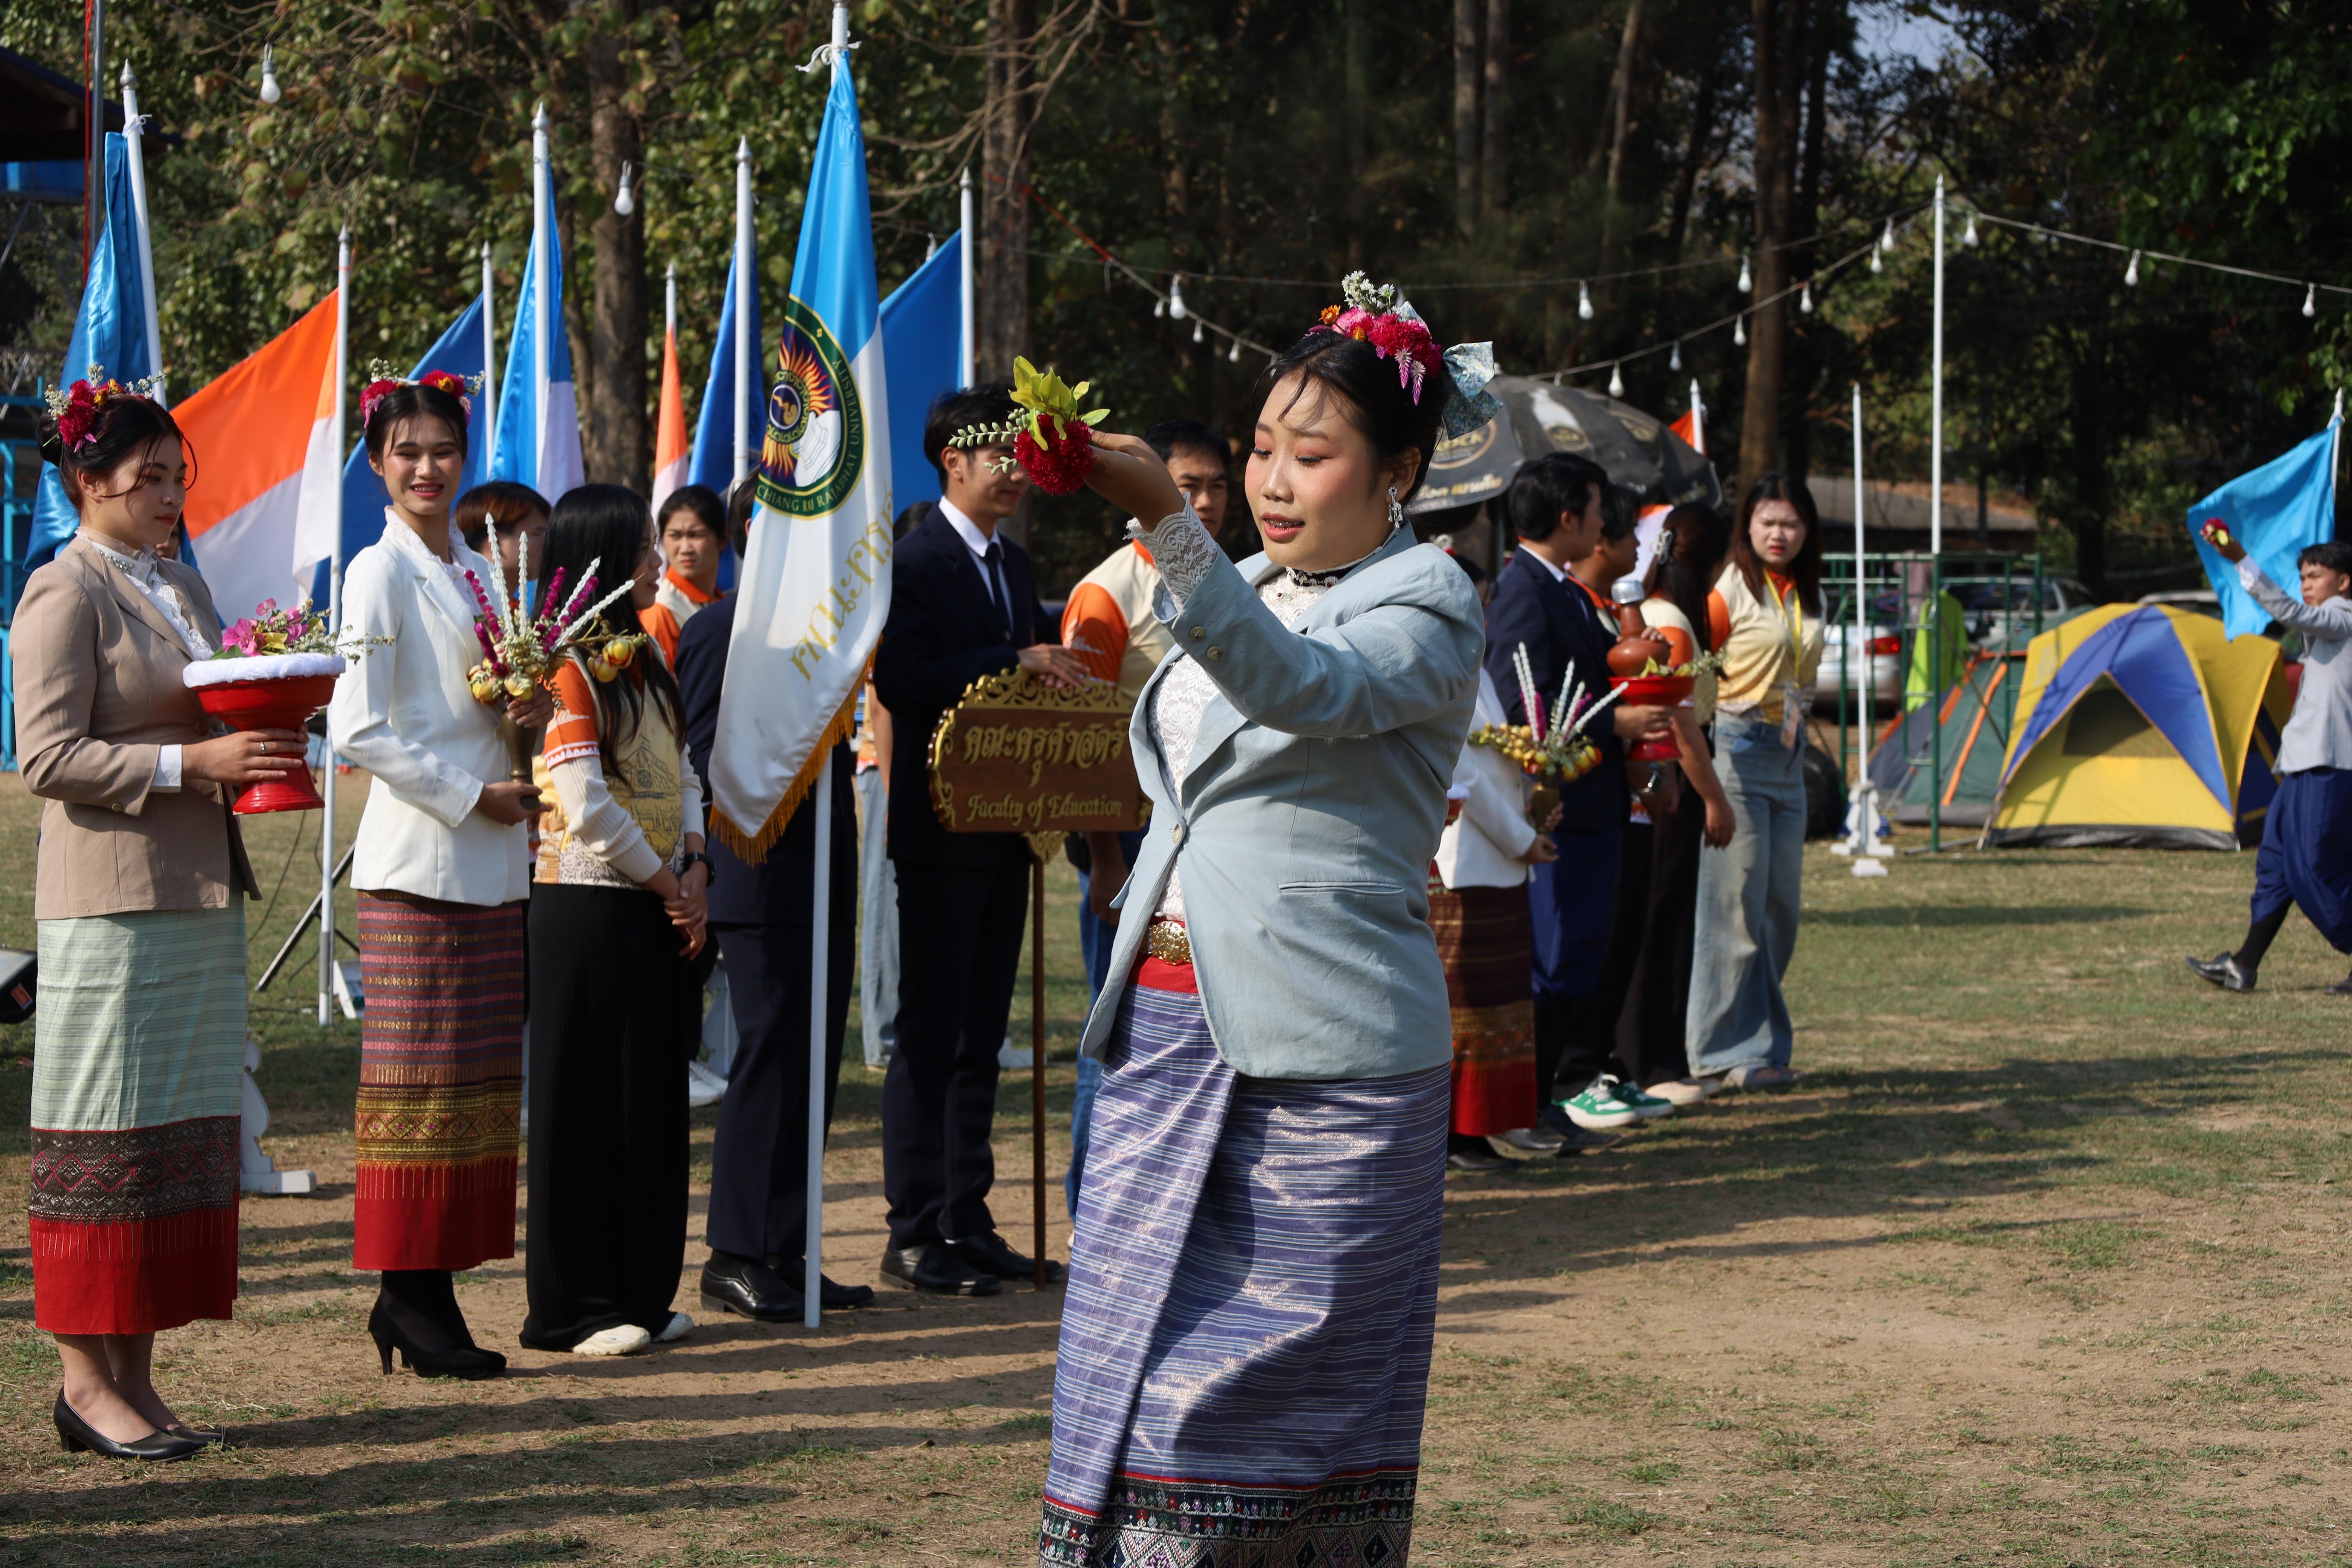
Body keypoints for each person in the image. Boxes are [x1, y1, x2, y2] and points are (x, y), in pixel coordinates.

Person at [1039, 277, 1488, 1566]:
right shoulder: (1234, 578)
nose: (1276, 479)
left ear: (1397, 470)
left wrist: (1157, 514)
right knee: (1120, 1362)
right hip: (1164, 1030)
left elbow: (1299, 691)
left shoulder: (1431, 600)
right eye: (1261, 449)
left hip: (1327, 1046)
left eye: (1314, 453)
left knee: (1255, 1397)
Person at [16, 379, 289, 1461]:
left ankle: (136, 1376)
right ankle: (84, 1382)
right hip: (111, 907)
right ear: (89, 482)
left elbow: (224, 697)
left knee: (170, 1145)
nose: (172, 496)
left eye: (180, 476)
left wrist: (272, 733)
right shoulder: (62, 589)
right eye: (149, 479)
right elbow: (46, 757)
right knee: (102, 1144)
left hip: (192, 899)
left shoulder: (182, 580)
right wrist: (193, 764)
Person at [331, 374, 550, 1380]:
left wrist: (532, 716)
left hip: (493, 862)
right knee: (417, 1091)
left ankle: (433, 1290)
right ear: (377, 462)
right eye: (406, 452)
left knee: (473, 1092)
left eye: (443, 451)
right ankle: (408, 1294)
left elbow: (488, 696)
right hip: (420, 864)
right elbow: (359, 727)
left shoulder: (476, 569)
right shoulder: (376, 573)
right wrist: (472, 796)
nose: (426, 469)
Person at [873, 384, 1091, 1296]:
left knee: (983, 1037)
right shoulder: (914, 561)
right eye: (998, 454)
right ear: (949, 461)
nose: (1015, 471)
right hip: (936, 828)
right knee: (929, 1035)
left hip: (1007, 829)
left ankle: (969, 1215)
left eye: (1023, 454)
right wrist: (1014, 662)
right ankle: (913, 1228)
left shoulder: (1011, 562)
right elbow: (904, 678)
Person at [518, 484, 709, 1356]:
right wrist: (666, 882)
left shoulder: (646, 649)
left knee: (649, 1101)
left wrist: (696, 863)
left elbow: (686, 767)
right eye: (641, 543)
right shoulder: (561, 661)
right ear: (598, 551)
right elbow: (583, 801)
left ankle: (641, 1287)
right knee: (584, 1104)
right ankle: (572, 1306)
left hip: (655, 902)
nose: (656, 557)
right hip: (587, 905)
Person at [676, 482, 868, 1321]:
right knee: (768, 1059)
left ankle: (790, 1246)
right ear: (748, 529)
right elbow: (705, 756)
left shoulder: (830, 637)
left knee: (814, 1064)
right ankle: (737, 1250)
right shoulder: (721, 629)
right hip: (754, 874)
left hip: (822, 876)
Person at [1057, 417, 1232, 1211]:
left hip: (1219, 840)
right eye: (1183, 483)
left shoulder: (1233, 580)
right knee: (1118, 1025)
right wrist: (1106, 859)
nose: (1199, 501)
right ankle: (1096, 1202)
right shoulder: (1106, 592)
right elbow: (1085, 741)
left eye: (1214, 486)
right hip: (1131, 843)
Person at [1483, 455, 1674, 1147]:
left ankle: (1543, 1101)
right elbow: (1520, 706)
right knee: (1555, 964)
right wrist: (1610, 724)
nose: (1603, 525)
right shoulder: (1523, 594)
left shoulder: (1561, 590)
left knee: (1578, 960)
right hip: (1557, 807)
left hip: (1594, 809)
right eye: (1595, 510)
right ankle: (1523, 1109)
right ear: (1567, 518)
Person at [1684, 472, 1824, 1092]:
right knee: (1733, 908)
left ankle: (1763, 1043)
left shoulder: (1801, 589)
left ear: (1807, 530)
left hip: (1790, 757)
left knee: (1779, 910)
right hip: (1737, 749)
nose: (1779, 533)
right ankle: (1720, 1052)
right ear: (1748, 526)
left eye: (1791, 523)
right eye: (1768, 522)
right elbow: (1693, 673)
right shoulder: (1729, 589)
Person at [1599, 504, 1738, 1103]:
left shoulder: (1666, 615)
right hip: (1665, 778)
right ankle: (1647, 1062)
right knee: (1659, 920)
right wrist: (1714, 799)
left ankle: (1661, 1059)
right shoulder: (1673, 623)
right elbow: (1680, 726)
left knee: (1664, 919)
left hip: (1662, 776)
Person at [2189, 535, 2352, 993]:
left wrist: (2242, 559)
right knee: (2277, 864)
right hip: (2306, 763)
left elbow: (2292, 613)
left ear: (2344, 582)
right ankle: (2244, 963)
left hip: (2331, 765)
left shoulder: (2345, 615)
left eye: (2316, 575)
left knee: (2317, 867)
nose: (2307, 584)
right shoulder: (2329, 623)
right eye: (2303, 576)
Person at [1431, 652, 1555, 1172]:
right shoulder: (1436, 667)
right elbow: (1462, 772)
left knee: (1499, 1001)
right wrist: (1521, 837)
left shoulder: (1475, 667)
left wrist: (1534, 799)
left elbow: (1498, 754)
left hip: (1501, 855)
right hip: (1467, 858)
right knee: (1467, 1006)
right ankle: (1456, 1132)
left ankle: (1489, 1122)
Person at [654, 482, 728, 633]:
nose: (685, 549)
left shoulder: (722, 602)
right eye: (675, 536)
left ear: (723, 539)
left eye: (696, 535)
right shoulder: (662, 611)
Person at [455, 479, 550, 593]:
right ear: (495, 541)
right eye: (538, 534)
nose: (549, 542)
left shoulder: (507, 606)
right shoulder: (466, 605)